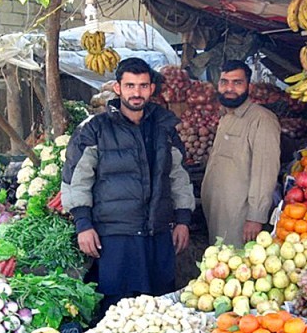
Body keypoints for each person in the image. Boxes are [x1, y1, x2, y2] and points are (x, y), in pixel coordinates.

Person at [61, 57, 195, 313]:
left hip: (157, 235)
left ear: (151, 89)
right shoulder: (94, 129)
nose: (137, 92)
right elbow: (76, 179)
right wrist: (83, 224)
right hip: (115, 237)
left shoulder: (165, 128)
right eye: (130, 85)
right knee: (116, 310)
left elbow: (179, 176)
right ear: (117, 88)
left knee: (160, 309)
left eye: (143, 85)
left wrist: (183, 219)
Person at [201, 60, 281, 248]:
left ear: (249, 86)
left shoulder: (261, 120)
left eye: (237, 82)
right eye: (224, 82)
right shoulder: (227, 117)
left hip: (240, 216)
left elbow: (265, 172)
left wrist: (255, 216)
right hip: (219, 211)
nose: (229, 88)